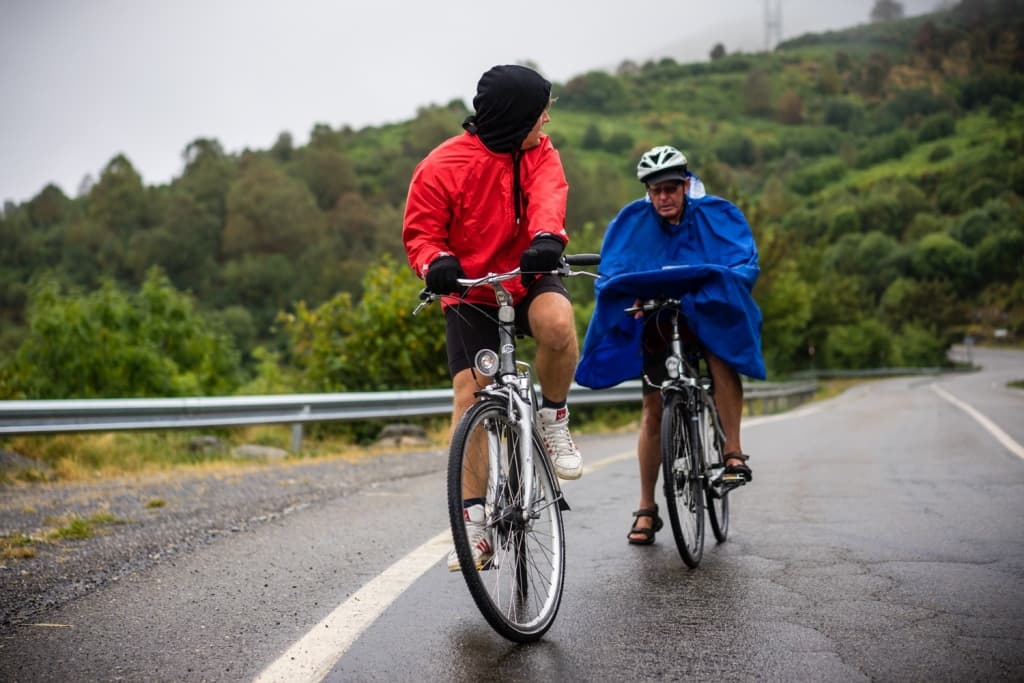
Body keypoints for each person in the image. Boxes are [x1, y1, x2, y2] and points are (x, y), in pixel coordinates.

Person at [403, 64, 582, 570]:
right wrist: (434, 261)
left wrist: (548, 239)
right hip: (471, 291)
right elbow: (421, 233)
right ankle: (475, 525)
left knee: (557, 325)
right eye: (539, 111)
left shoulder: (541, 153)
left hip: (527, 274)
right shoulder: (441, 165)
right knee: (471, 391)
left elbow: (550, 199)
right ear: (513, 116)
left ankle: (553, 416)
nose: (546, 119)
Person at [574, 145, 766, 546]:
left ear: (684, 186)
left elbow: (741, 260)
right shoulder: (632, 222)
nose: (663, 197)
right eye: (656, 190)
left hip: (705, 312)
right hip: (660, 318)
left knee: (720, 354)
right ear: (648, 191)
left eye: (670, 189)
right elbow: (615, 271)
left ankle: (733, 451)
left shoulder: (715, 214)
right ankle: (647, 508)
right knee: (652, 408)